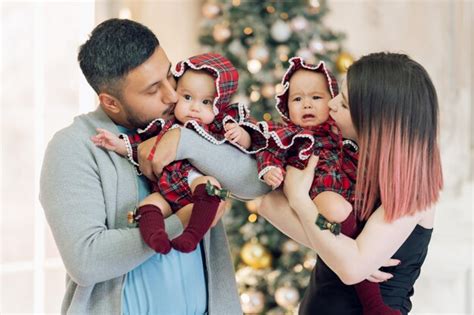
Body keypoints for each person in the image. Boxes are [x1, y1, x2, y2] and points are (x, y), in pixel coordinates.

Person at [39, 19, 247, 314]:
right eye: (152, 90)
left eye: (169, 75)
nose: (172, 95)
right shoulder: (73, 147)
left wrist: (182, 140)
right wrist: (183, 222)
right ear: (111, 103)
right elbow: (86, 261)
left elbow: (253, 184)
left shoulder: (190, 125)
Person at [258, 52, 443, 314]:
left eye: (343, 104)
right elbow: (268, 205)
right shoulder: (344, 157)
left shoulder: (416, 190)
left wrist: (300, 201)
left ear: (374, 123)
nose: (330, 104)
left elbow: (351, 269)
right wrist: (343, 249)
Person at [92, 52, 266, 254]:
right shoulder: (163, 124)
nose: (194, 107)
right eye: (187, 97)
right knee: (149, 205)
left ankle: (192, 235)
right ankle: (156, 238)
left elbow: (250, 154)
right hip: (166, 189)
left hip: (195, 185)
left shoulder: (219, 126)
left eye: (206, 102)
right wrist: (118, 145)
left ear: (219, 105)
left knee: (210, 186)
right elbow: (140, 146)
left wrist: (241, 135)